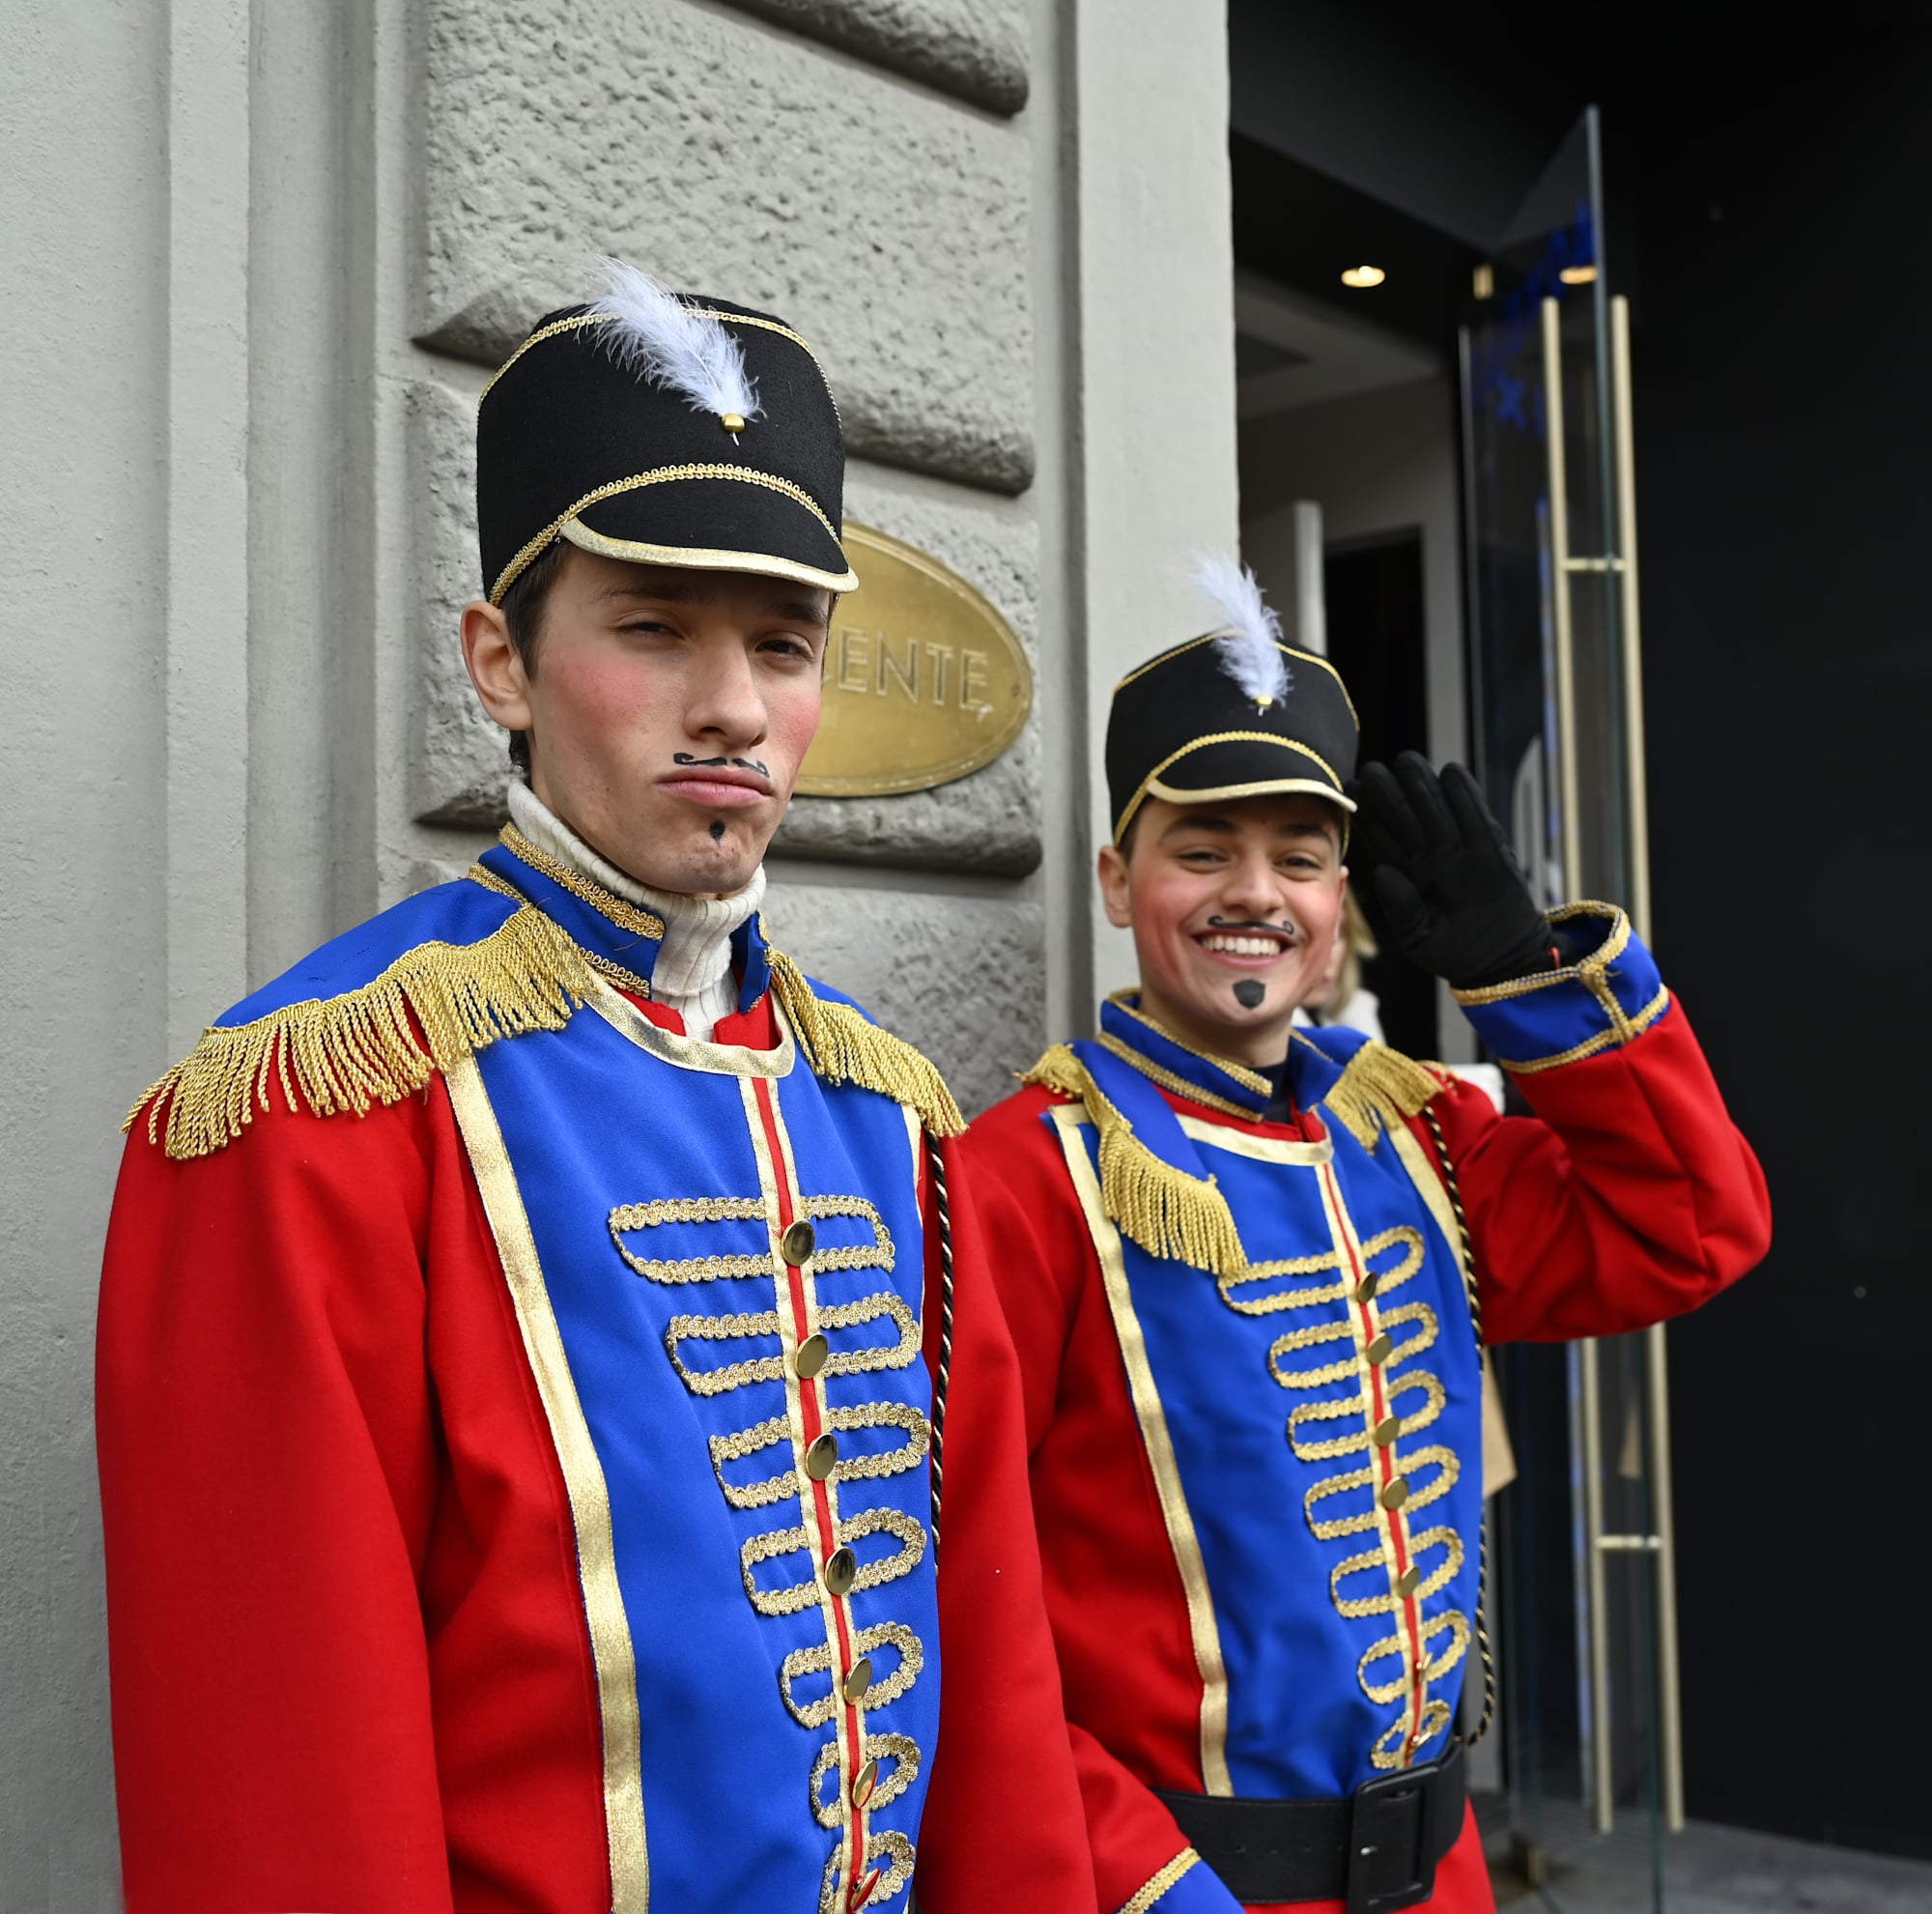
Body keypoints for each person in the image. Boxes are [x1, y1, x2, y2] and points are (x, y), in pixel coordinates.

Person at [97, 263, 1094, 1914]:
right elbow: (282, 1815)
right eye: (653, 627)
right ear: (501, 661)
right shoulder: (312, 1113)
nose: (734, 707)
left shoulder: (888, 1121)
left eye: (782, 644)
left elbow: (993, 1707)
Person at [959, 559, 1771, 1914]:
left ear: (1343, 902)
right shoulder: (1022, 1175)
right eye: (1202, 851)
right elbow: (972, 1617)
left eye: (1299, 857)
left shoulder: (1421, 1133)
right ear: (1115, 879)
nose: (1255, 894)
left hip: (1442, 1880)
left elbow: (1692, 1226)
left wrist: (1522, 974)